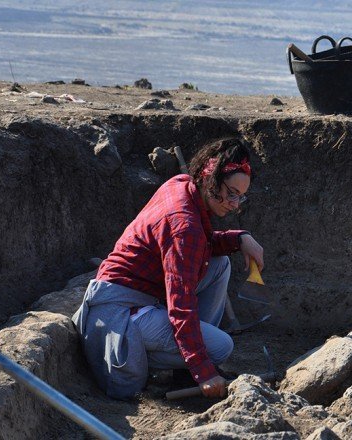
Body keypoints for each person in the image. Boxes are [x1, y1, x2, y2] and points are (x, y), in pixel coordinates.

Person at [73, 136, 264, 400]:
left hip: (134, 292)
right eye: (231, 193)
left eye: (241, 197)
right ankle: (179, 359)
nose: (234, 204)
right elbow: (181, 305)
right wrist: (204, 371)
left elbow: (200, 247)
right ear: (209, 179)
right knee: (221, 346)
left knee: (219, 264)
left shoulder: (182, 184)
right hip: (119, 310)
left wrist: (239, 238)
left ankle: (186, 355)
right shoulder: (184, 227)